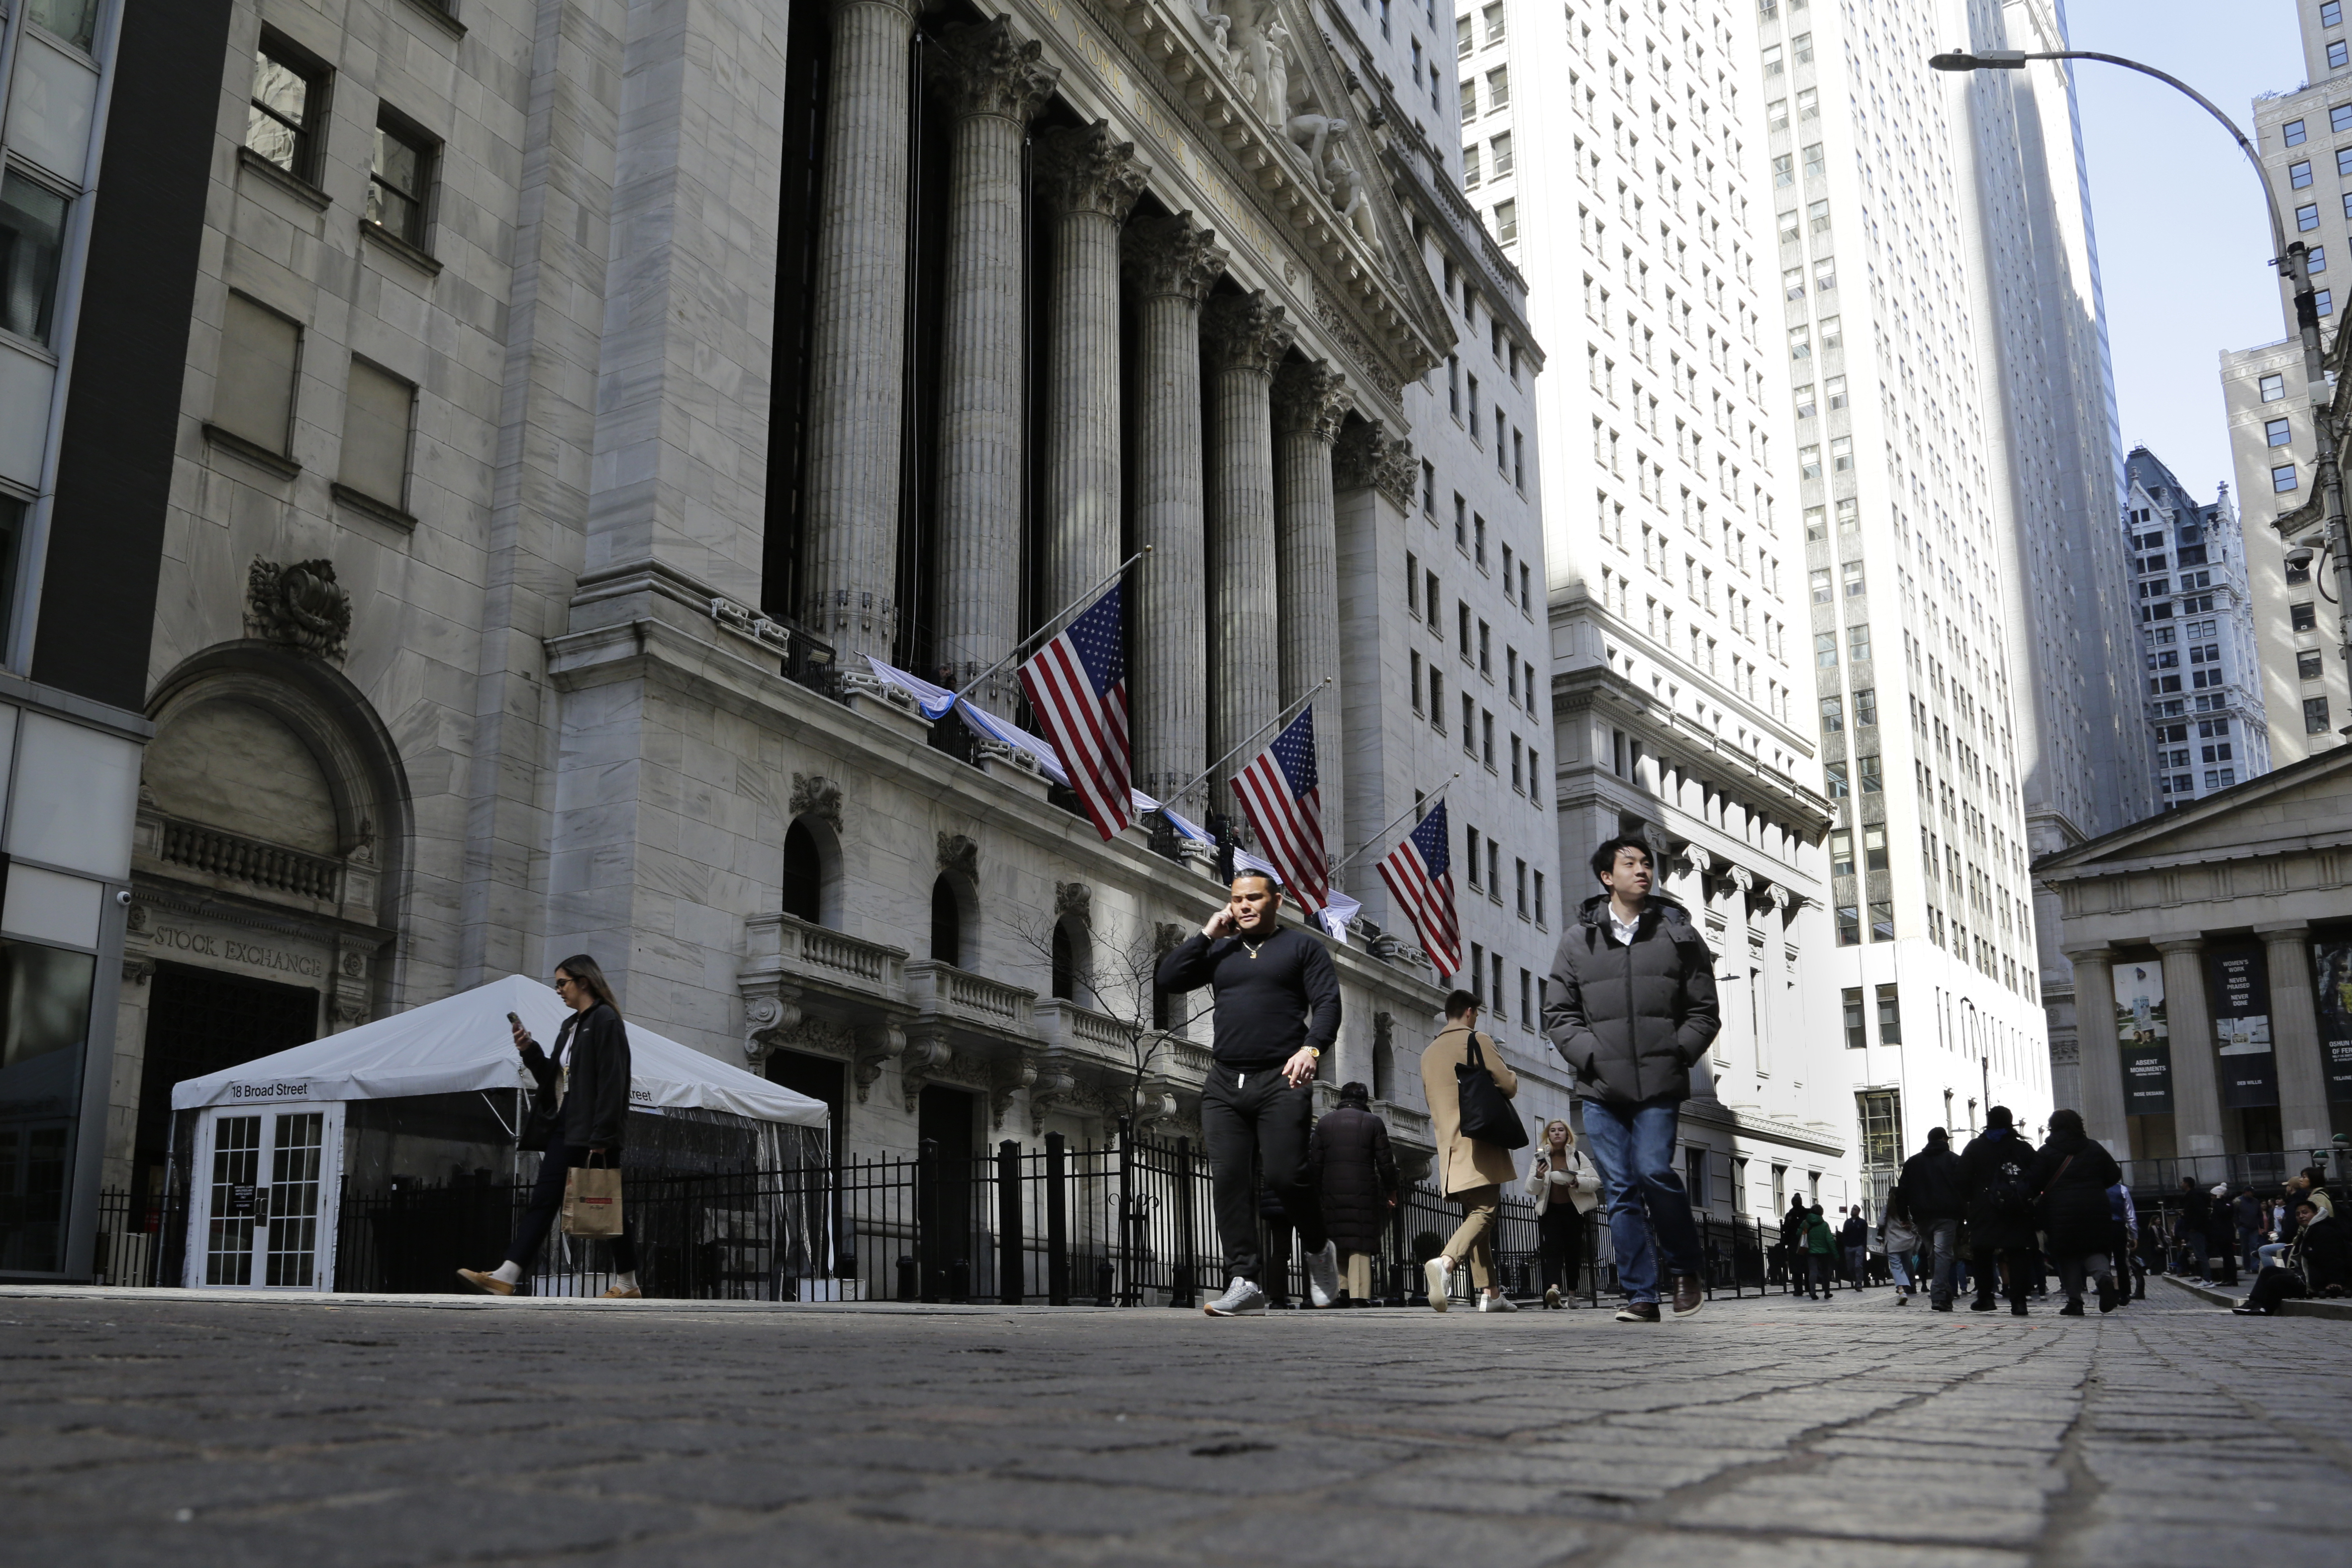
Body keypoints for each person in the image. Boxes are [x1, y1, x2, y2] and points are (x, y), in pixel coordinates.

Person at [1543, 835, 1721, 1324]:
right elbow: (1558, 1012)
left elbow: (1704, 1011)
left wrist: (1677, 1051)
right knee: (1620, 1188)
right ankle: (1641, 1294)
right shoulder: (1578, 940)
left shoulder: (1678, 933)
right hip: (1601, 1087)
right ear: (1607, 877)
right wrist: (1592, 1054)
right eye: (1630, 863)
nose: (1642, 870)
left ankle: (1686, 1269)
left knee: (1654, 1171)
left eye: (1647, 863)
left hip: (1659, 1084)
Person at [1157, 871, 1343, 1317]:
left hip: (1281, 1079)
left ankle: (1318, 1248)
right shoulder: (1220, 948)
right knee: (1228, 1181)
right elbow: (1169, 977)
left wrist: (1311, 1049)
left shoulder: (1303, 948)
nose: (1243, 906)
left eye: (1253, 898)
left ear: (1276, 901)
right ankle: (1245, 1280)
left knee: (1285, 1177)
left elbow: (1329, 1004)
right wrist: (1206, 933)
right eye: (1237, 899)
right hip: (1224, 1082)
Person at [459, 956, 640, 1299]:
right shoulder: (571, 1026)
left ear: (583, 982)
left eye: (562, 983)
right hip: (567, 1123)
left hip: (593, 1129)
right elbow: (553, 1081)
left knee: (605, 1202)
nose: (558, 990)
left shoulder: (605, 1020)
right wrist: (529, 1050)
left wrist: (602, 1136)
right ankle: (507, 1275)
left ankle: (628, 1283)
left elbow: (613, 1081)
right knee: (544, 1200)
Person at [1421, 990, 1523, 1313]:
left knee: (1475, 1215)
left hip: (1449, 1145)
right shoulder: (1477, 1039)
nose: (1477, 1018)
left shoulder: (1428, 1052)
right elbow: (1508, 1086)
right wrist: (1512, 1076)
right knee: (1485, 1212)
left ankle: (1491, 1294)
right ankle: (1446, 1263)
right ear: (1468, 1012)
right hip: (1479, 1140)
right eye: (1476, 1013)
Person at [1305, 1080, 1399, 1305]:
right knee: (1360, 1241)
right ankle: (1360, 1295)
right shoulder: (1373, 1122)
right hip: (1363, 1189)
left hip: (1331, 1189)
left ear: (1342, 1098)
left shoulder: (1325, 1123)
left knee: (1338, 1238)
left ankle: (1341, 1292)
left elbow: (1315, 1163)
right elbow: (1385, 1161)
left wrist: (1315, 1194)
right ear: (1365, 1100)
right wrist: (1391, 1191)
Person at [2026, 1108, 2124, 1316]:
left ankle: (2075, 1301)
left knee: (2067, 1253)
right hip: (2095, 1206)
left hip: (2060, 1209)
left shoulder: (2046, 1152)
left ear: (2053, 1127)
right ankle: (2104, 1278)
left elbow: (2034, 1184)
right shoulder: (2094, 1148)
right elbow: (2114, 1175)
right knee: (2095, 1248)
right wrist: (2096, 1186)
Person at [1959, 1106, 2039, 1316]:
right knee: (2018, 1251)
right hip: (2017, 1208)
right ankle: (2019, 1302)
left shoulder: (1976, 1147)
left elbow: (1962, 1177)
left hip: (1985, 1207)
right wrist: (2025, 1193)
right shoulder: (2022, 1148)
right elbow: (2038, 1174)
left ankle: (1985, 1297)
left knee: (1983, 1251)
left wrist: (1971, 1199)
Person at [1524, 1117, 1601, 1307]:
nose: (1557, 1133)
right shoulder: (1540, 1159)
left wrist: (1578, 1183)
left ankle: (1572, 1295)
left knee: (1573, 1252)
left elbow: (1595, 1181)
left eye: (1561, 1130)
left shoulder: (1577, 1157)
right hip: (1550, 1210)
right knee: (1552, 1249)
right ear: (1548, 1136)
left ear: (1567, 1135)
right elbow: (1530, 1189)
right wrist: (1539, 1176)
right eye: (1553, 1131)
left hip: (1573, 1210)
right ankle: (1555, 1290)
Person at [2233, 1197, 2352, 1316]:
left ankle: (2266, 1308)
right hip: (2306, 1273)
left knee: (2276, 1281)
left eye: (2305, 1213)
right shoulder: (2308, 1231)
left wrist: (2335, 1282)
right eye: (2298, 1214)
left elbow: (2334, 1258)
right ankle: (2254, 1303)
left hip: (2316, 1281)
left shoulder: (2324, 1231)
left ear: (2315, 1214)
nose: (2301, 1216)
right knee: (2269, 1271)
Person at [1898, 1127, 1967, 1311]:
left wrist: (1904, 1215)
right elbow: (1964, 1189)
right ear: (1945, 1139)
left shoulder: (1913, 1162)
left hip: (1923, 1216)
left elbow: (1902, 1191)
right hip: (1947, 1214)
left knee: (1933, 1255)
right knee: (1943, 1254)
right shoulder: (1954, 1160)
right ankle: (1939, 1295)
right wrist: (1964, 1215)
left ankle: (1943, 1295)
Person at [1880, 1190, 1920, 1304]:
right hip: (1907, 1241)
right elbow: (1914, 1224)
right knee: (1906, 1267)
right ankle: (1905, 1289)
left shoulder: (1887, 1208)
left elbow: (1881, 1223)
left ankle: (1902, 1291)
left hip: (1893, 1242)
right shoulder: (1906, 1208)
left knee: (1896, 1268)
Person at [2203, 1185, 2240, 1288]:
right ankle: (2227, 1278)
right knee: (2226, 1257)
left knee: (2229, 1257)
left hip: (2226, 1234)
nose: (2212, 1198)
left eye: (2214, 1196)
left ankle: (2232, 1279)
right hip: (2221, 1234)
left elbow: (2223, 1212)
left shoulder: (2227, 1204)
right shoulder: (2220, 1205)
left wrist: (2218, 1200)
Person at [1779, 1195, 1811, 1296]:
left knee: (1807, 1267)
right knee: (1796, 1268)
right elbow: (1785, 1228)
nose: (1796, 1203)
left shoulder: (1807, 1213)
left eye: (1798, 1201)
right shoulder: (1790, 1214)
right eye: (1795, 1201)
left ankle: (1809, 1287)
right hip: (1794, 1243)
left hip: (1805, 1242)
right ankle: (1798, 1289)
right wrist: (1788, 1222)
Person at [1803, 1203, 1836, 1299]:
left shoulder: (1806, 1223)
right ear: (1822, 1213)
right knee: (1825, 1272)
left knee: (1813, 1271)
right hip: (1824, 1252)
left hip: (1811, 1252)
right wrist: (1835, 1254)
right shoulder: (1825, 1225)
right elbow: (1830, 1240)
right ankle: (1827, 1292)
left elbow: (1799, 1234)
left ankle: (1813, 1292)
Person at [1839, 1206, 1869, 1291]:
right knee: (1850, 1267)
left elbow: (1865, 1234)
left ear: (1858, 1212)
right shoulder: (1848, 1222)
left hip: (1859, 1246)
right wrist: (1845, 1245)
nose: (1853, 1211)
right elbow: (1844, 1234)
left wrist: (1863, 1245)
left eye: (1855, 1210)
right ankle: (1856, 1280)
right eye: (1852, 1209)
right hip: (1849, 1247)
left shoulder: (1862, 1222)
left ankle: (1859, 1284)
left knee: (1858, 1265)